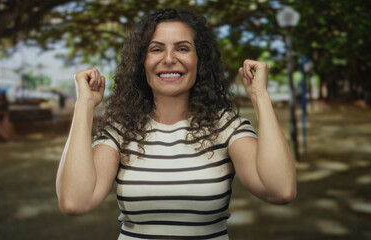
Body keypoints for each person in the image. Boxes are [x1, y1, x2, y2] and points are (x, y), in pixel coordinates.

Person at [56, 9, 297, 239]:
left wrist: (260, 97)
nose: (169, 59)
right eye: (156, 49)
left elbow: (281, 190)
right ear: (142, 61)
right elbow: (75, 201)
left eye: (182, 48)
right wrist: (84, 105)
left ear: (199, 60)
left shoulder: (226, 127)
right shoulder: (121, 131)